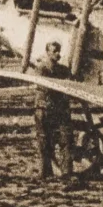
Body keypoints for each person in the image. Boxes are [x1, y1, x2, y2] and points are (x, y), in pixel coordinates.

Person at [33, 38, 74, 178]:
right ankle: (45, 172)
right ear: (47, 53)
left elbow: (71, 82)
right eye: (54, 51)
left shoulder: (63, 70)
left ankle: (67, 172)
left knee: (66, 140)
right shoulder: (41, 69)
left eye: (59, 51)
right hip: (44, 110)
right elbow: (43, 87)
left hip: (58, 110)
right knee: (44, 143)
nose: (58, 54)